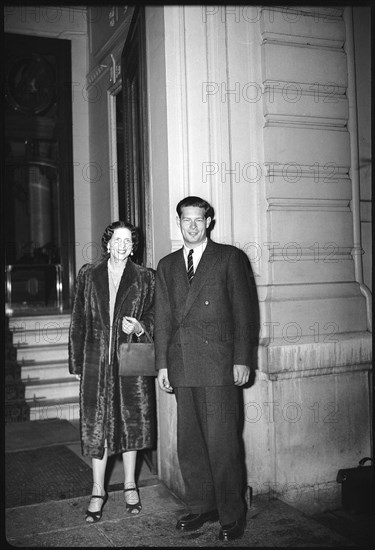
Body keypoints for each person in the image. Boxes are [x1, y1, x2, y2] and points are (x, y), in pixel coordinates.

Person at [155, 196, 257, 542]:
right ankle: (202, 505)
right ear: (179, 222)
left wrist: (242, 359)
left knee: (223, 444)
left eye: (199, 219)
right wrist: (162, 365)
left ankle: (232, 514)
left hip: (219, 368)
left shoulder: (229, 258)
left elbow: (245, 313)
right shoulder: (167, 265)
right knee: (191, 444)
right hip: (183, 366)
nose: (193, 226)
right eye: (187, 220)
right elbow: (164, 319)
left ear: (209, 222)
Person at [69, 221, 155, 523]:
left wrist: (142, 326)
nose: (121, 245)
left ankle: (130, 484)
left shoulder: (146, 278)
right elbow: (78, 320)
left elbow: (158, 315)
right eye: (116, 240)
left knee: (130, 422)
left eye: (127, 240)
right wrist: (77, 363)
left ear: (133, 246)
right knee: (97, 426)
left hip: (129, 362)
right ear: (107, 244)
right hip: (95, 363)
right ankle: (97, 490)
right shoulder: (88, 275)